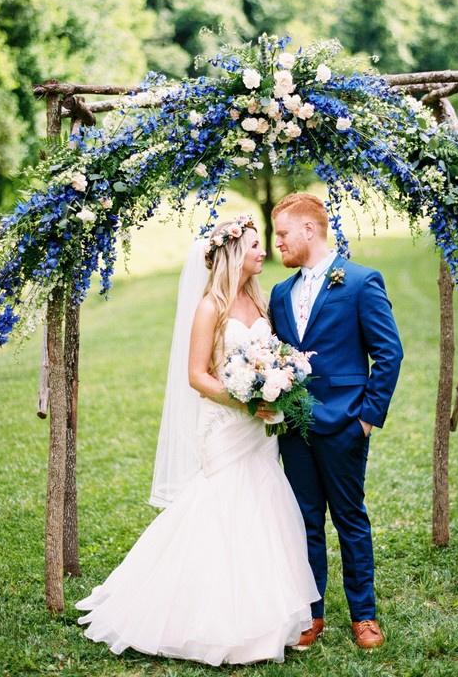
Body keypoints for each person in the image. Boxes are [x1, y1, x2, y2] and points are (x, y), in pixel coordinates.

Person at [75, 216, 320, 666]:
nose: (262, 252)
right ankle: (201, 615)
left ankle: (263, 616)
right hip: (225, 425)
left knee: (262, 504)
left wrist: (275, 386)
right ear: (232, 254)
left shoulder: (257, 300)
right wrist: (245, 401)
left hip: (257, 428)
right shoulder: (211, 307)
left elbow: (268, 357)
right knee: (220, 505)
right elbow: (195, 375)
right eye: (253, 246)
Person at [269, 192, 404, 650]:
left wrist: (366, 419)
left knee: (350, 518)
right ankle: (312, 614)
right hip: (295, 429)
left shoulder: (362, 282)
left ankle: (364, 616)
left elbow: (389, 354)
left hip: (346, 423)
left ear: (309, 229)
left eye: (283, 233)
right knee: (303, 520)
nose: (278, 243)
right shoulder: (279, 293)